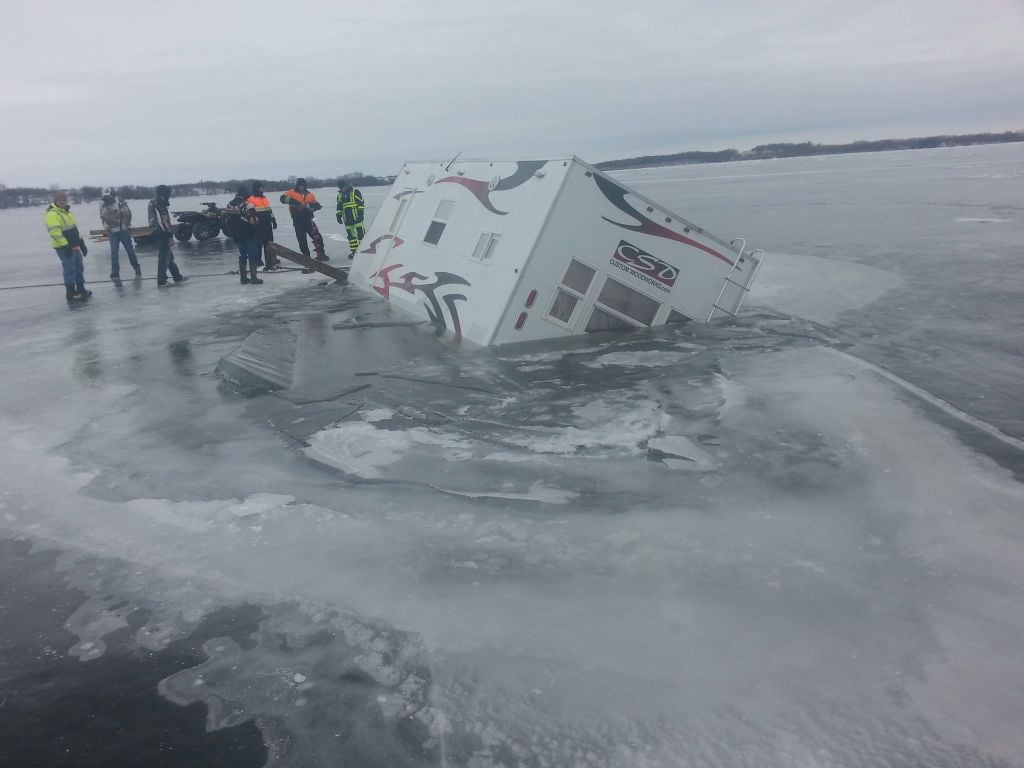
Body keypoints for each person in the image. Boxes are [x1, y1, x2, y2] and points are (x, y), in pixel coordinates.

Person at [45, 191, 91, 301]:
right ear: (55, 201)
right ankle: (70, 292)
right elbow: (55, 232)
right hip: (63, 247)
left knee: (78, 267)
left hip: (75, 245)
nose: (63, 202)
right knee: (69, 269)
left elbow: (74, 229)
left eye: (64, 200)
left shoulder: (68, 213)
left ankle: (81, 288)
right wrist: (65, 245)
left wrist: (81, 243)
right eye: (60, 200)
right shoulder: (52, 214)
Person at [147, 185, 188, 286]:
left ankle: (177, 277)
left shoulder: (153, 202)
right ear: (164, 193)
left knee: (169, 257)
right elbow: (162, 220)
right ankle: (162, 281)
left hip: (156, 231)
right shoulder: (159, 203)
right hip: (161, 233)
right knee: (164, 258)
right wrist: (168, 233)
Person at [280, 178, 328, 261]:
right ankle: (306, 257)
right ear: (297, 186)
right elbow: (282, 199)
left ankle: (321, 254)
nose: (301, 187)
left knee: (317, 237)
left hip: (308, 219)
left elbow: (316, 204)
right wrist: (296, 203)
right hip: (298, 220)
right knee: (302, 240)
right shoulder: (291, 192)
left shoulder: (310, 194)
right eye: (300, 186)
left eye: (303, 186)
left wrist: (315, 206)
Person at [223, 185, 263, 285]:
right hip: (248, 234)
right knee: (252, 256)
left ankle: (243, 278)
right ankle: (254, 278)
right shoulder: (247, 204)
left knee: (242, 256)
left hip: (236, 235)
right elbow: (252, 221)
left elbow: (227, 219)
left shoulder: (229, 205)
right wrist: (258, 222)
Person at [99, 187, 141, 280]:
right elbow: (103, 216)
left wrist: (124, 224)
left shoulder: (121, 202)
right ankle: (115, 272)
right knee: (114, 251)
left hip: (123, 230)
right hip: (112, 231)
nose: (107, 198)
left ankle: (136, 267)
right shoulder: (102, 204)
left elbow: (128, 214)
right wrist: (111, 223)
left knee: (129, 250)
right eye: (105, 197)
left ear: (112, 194)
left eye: (109, 196)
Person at [246, 181, 279, 271]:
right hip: (258, 225)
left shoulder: (265, 198)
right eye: (261, 187)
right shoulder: (251, 199)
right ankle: (258, 262)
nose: (262, 189)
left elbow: (269, 211)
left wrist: (274, 220)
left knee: (269, 243)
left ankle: (270, 262)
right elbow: (250, 213)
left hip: (267, 224)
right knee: (258, 244)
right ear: (257, 188)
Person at [336, 180, 365, 258]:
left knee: (361, 235)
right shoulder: (339, 195)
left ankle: (363, 251)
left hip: (357, 218)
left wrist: (360, 214)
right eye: (340, 188)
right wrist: (338, 216)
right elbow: (339, 207)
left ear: (346, 185)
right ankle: (354, 251)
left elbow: (361, 204)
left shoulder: (355, 192)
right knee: (351, 237)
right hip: (347, 220)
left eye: (343, 187)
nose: (342, 189)